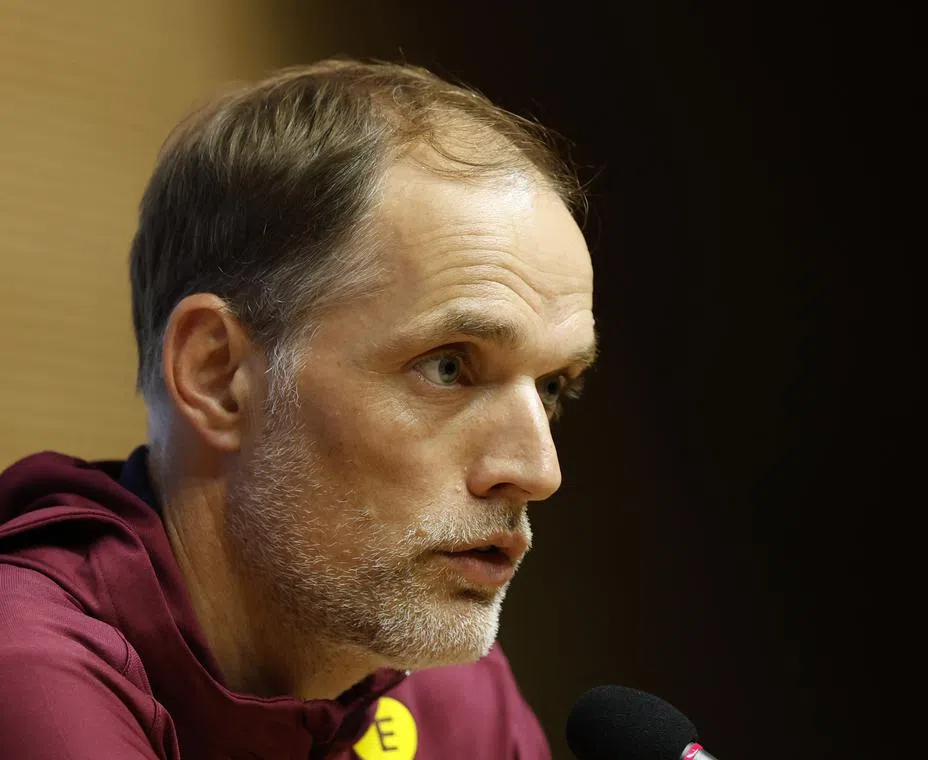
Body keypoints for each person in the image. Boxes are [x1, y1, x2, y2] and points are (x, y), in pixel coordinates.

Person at [0, 59, 596, 760]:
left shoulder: (449, 687)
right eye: (448, 367)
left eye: (553, 386)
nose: (536, 470)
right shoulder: (29, 669)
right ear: (219, 377)